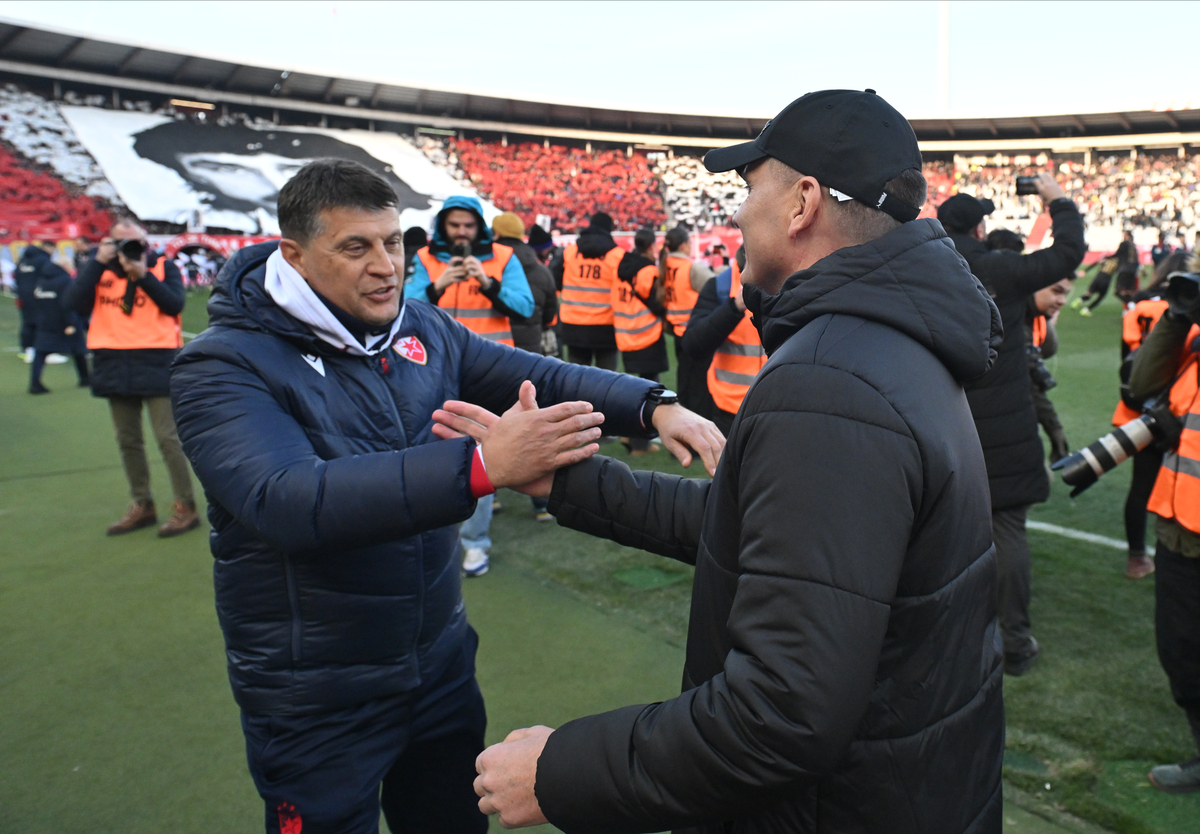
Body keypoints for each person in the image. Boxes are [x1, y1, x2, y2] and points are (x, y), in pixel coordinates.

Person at [467, 89, 1005, 834]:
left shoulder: (833, 378)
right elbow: (768, 537)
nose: (738, 214)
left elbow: (783, 710)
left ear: (802, 204)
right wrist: (568, 480)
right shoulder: (883, 343)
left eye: (751, 189)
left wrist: (561, 769)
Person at [170, 158, 720, 834]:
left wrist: (653, 405)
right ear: (294, 254)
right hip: (317, 691)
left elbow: (532, 372)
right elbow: (288, 502)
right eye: (355, 247)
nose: (385, 266)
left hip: (439, 665)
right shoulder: (222, 362)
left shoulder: (419, 327)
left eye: (392, 242)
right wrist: (484, 466)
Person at [938, 179, 1086, 676]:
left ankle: (947, 635)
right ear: (980, 228)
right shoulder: (995, 266)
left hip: (939, 421)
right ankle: (1015, 643)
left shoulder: (922, 267)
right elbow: (1067, 252)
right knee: (1006, 532)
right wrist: (1055, 198)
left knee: (941, 532)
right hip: (1003, 423)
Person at [405, 195, 535, 576]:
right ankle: (430, 531)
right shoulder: (426, 259)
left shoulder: (503, 258)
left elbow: (525, 307)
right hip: (431, 370)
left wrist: (487, 282)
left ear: (479, 226)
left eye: (468, 224)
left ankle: (475, 545)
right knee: (427, 450)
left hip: (489, 373)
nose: (461, 232)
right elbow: (403, 306)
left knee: (479, 456)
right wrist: (438, 285)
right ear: (443, 226)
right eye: (454, 225)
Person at [67, 218, 199, 538]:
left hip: (156, 359)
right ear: (107, 243)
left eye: (135, 241)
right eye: (121, 242)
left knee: (168, 439)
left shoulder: (162, 266)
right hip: (113, 361)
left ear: (146, 242)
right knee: (127, 440)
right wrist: (96, 264)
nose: (129, 248)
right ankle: (142, 503)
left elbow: (174, 304)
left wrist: (142, 276)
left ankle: (186, 506)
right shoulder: (100, 269)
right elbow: (72, 303)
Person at [1128, 259, 1200, 794]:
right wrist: (1178, 317)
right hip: (1178, 527)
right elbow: (1141, 384)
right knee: (1180, 651)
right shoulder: (1192, 340)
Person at [1110, 251, 1191, 579]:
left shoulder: (1140, 305)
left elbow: (1127, 362)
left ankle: (1136, 557)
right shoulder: (1183, 312)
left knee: (1141, 486)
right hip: (1179, 407)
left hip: (1139, 407)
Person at [492, 211, 561, 519]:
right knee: (532, 423)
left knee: (488, 421)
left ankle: (488, 493)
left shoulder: (489, 265)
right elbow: (550, 315)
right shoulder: (539, 269)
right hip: (530, 352)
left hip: (492, 351)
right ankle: (541, 502)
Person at [681, 246, 765, 437]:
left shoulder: (794, 281)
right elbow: (693, 345)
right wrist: (734, 308)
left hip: (781, 410)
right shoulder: (721, 286)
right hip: (728, 412)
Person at [612, 227, 669, 453]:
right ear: (650, 246)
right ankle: (640, 444)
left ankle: (628, 435)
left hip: (626, 333)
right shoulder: (647, 271)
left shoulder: (621, 267)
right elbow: (657, 304)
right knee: (649, 391)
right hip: (646, 334)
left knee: (631, 390)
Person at [552, 211, 623, 370]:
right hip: (606, 327)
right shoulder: (617, 255)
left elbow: (554, 282)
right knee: (608, 383)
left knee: (576, 382)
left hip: (573, 326)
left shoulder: (570, 252)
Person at [660, 224, 716, 416]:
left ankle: (682, 417)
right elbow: (716, 288)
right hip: (694, 332)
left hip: (675, 330)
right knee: (699, 384)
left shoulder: (663, 264)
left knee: (684, 379)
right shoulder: (692, 268)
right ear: (684, 245)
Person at [26, 240, 89, 393]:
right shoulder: (66, 281)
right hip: (64, 322)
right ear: (64, 267)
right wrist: (71, 323)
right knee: (79, 350)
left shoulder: (42, 280)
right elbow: (68, 304)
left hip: (45, 321)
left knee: (40, 353)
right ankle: (85, 378)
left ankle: (35, 383)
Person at [1027, 279, 1072, 463]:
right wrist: (1055, 429)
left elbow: (1047, 349)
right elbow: (1029, 385)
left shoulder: (1036, 318)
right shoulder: (1014, 320)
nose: (1062, 301)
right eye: (1056, 291)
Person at [1114, 230, 1142, 304]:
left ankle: (1131, 303)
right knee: (1130, 291)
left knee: (1118, 291)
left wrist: (1106, 258)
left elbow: (1117, 255)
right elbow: (1137, 260)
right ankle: (1132, 306)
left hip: (1124, 270)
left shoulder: (1124, 244)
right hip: (1132, 271)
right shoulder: (1133, 245)